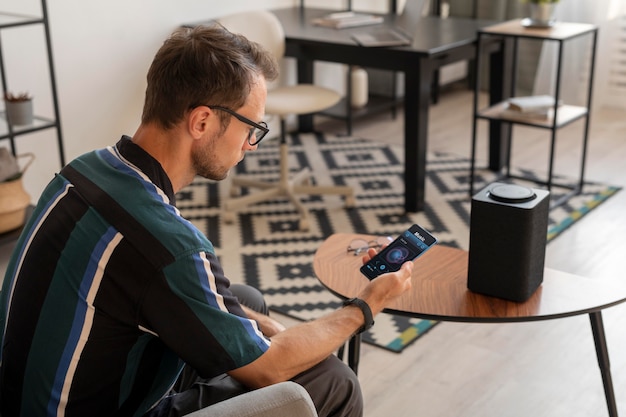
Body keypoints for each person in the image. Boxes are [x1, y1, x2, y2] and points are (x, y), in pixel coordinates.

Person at [0, 23, 413, 417]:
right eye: (252, 128)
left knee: (246, 301)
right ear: (201, 122)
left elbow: (160, 286)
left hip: (29, 397)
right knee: (332, 383)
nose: (252, 146)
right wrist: (366, 304)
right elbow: (269, 367)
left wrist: (262, 326)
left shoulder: (85, 168)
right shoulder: (169, 246)